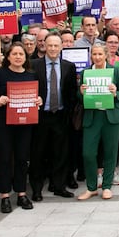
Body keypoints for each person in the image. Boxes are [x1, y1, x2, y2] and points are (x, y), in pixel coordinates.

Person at [0, 42, 40, 212]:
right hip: (4, 122)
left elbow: (36, 96)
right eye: (14, 54)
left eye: (21, 54)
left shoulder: (31, 76)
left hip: (25, 123)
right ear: (8, 56)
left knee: (22, 157)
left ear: (26, 58)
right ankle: (4, 195)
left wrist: (38, 101)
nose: (18, 57)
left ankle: (21, 193)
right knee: (4, 158)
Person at [77, 44, 119, 199]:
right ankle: (91, 187)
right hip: (92, 117)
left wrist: (115, 93)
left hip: (111, 117)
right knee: (88, 153)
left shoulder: (115, 71)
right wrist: (81, 93)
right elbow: (80, 98)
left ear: (106, 55)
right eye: (94, 54)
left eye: (100, 54)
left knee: (110, 152)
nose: (97, 57)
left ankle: (106, 186)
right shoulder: (86, 72)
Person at [31, 33, 77, 200]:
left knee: (61, 153)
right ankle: (36, 189)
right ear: (44, 46)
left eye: (56, 45)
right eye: (49, 45)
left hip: (61, 115)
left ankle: (59, 186)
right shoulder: (34, 65)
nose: (52, 48)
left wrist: (69, 112)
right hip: (40, 116)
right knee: (38, 154)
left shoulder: (68, 66)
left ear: (61, 47)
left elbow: (71, 92)